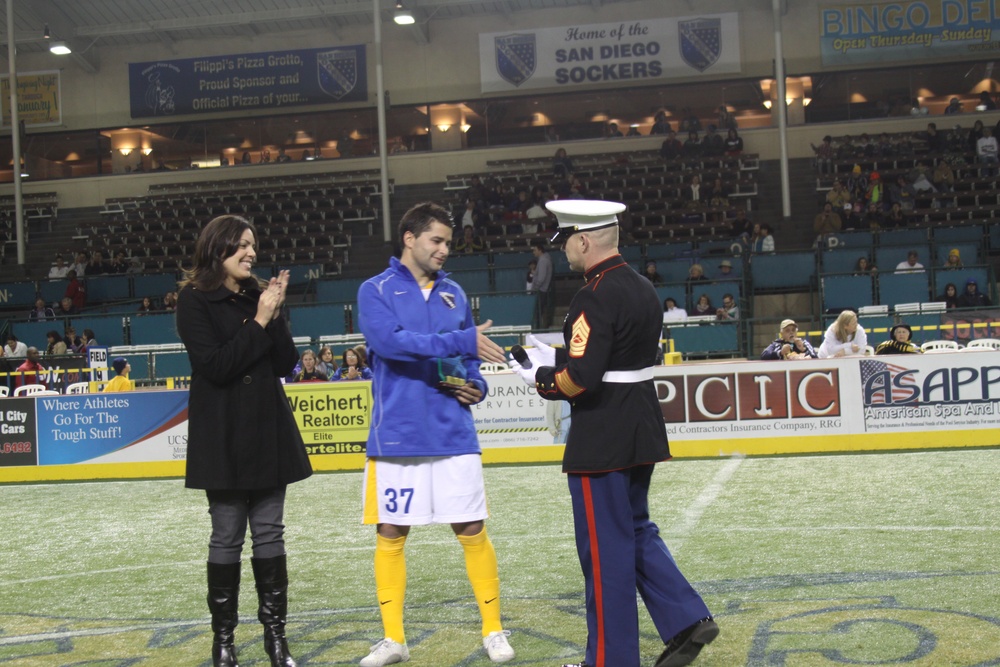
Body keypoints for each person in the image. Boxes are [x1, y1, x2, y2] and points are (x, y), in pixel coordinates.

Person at [508, 199, 718, 667]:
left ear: (584, 239)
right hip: (641, 424)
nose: (564, 251)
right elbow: (613, 358)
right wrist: (559, 359)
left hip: (602, 434)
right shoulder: (643, 286)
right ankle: (687, 619)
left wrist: (541, 377)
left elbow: (583, 377)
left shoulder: (593, 294)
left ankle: (609, 662)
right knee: (636, 529)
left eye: (566, 242)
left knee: (604, 556)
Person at [355, 202, 514, 666]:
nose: (445, 250)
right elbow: (390, 344)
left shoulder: (454, 294)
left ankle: (493, 631)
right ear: (410, 239)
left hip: (452, 433)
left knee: (471, 529)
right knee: (391, 531)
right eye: (436, 241)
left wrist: (477, 385)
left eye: (447, 242)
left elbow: (469, 360)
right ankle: (393, 640)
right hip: (398, 437)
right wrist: (458, 342)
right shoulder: (375, 290)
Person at [175, 214, 313, 667]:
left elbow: (285, 362)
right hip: (225, 437)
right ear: (217, 249)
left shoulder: (261, 297)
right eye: (242, 245)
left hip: (268, 431)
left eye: (253, 244)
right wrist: (259, 319)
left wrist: (273, 314)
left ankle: (276, 639)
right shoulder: (193, 301)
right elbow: (215, 366)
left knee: (271, 533)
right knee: (227, 535)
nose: (251, 252)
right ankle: (224, 642)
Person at [530, 239, 554, 329]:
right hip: (542, 289)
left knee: (538, 312)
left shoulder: (543, 261)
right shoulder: (543, 260)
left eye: (535, 250)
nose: (533, 252)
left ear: (540, 250)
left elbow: (541, 278)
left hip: (541, 290)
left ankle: (539, 329)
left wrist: (535, 288)